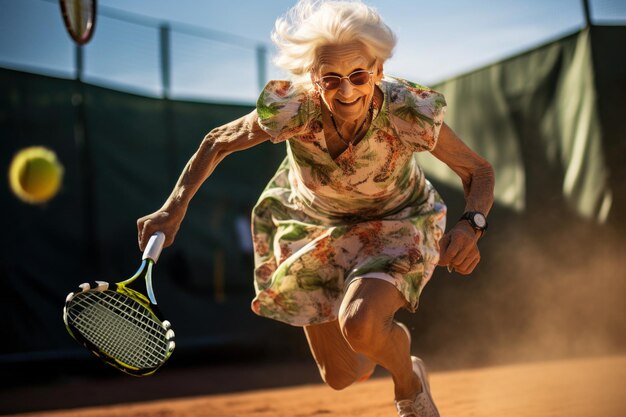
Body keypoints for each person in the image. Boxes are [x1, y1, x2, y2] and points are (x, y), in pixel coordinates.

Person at [137, 1, 495, 415]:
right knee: (343, 375)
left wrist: (472, 225)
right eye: (331, 79)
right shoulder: (293, 108)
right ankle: (388, 347)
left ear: (377, 71)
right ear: (313, 77)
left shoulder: (407, 111)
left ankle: (408, 387)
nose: (346, 91)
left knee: (360, 322)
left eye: (359, 75)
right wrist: (174, 207)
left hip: (397, 222)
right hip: (312, 228)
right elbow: (218, 141)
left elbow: (479, 172)